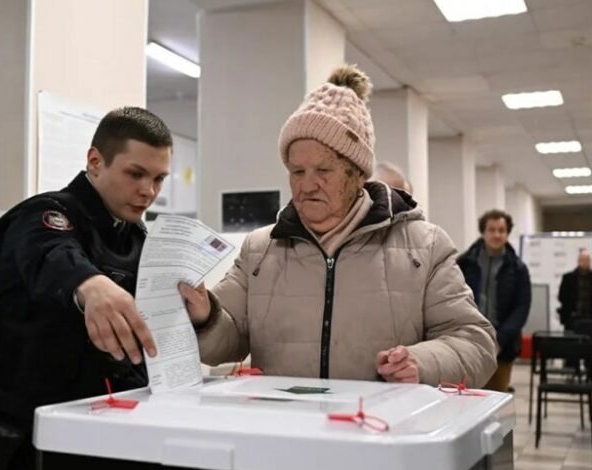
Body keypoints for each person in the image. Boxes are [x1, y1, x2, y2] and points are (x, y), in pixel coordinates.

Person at [179, 65, 497, 388]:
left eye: (323, 170)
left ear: (358, 173)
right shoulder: (259, 251)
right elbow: (228, 339)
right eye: (297, 171)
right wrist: (206, 315)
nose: (307, 185)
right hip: (284, 433)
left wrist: (423, 362)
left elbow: (476, 343)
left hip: (378, 432)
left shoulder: (425, 247)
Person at [0, 107, 172, 469]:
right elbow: (52, 254)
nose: (148, 191)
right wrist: (91, 285)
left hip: (93, 432)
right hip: (14, 441)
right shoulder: (41, 216)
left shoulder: (137, 239)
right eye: (135, 174)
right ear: (95, 161)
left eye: (159, 179)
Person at [457, 210, 531, 392]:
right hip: (467, 342)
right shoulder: (464, 263)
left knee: (496, 399)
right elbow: (454, 297)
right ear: (483, 232)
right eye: (492, 230)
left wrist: (501, 338)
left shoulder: (518, 268)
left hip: (503, 346)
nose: (497, 235)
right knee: (467, 399)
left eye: (501, 230)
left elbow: (522, 307)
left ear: (507, 233)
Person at [558, 248, 592, 329]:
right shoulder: (568, 278)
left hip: (590, 318)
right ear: (578, 261)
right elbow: (561, 296)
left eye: (587, 260)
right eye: (582, 260)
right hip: (572, 318)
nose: (585, 262)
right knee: (572, 340)